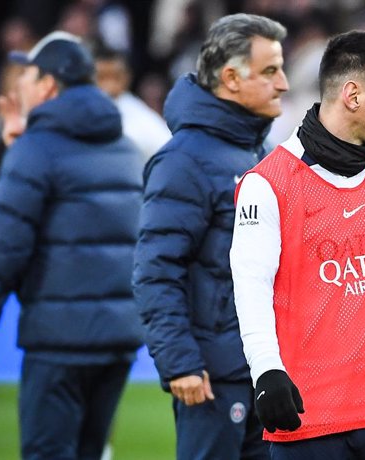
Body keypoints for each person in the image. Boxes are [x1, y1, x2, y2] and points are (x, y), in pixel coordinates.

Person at [230, 30, 365, 459]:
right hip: (311, 416)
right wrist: (267, 371)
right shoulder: (267, 184)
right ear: (353, 95)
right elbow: (251, 287)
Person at [0, 31, 144, 460]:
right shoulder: (125, 148)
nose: (18, 84)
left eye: (27, 75)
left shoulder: (36, 150)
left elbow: (8, 243)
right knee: (91, 451)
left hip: (59, 342)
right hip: (117, 341)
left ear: (47, 86)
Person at [131, 13, 289, 460]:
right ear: (231, 78)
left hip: (265, 368)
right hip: (213, 378)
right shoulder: (183, 161)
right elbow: (155, 271)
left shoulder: (262, 153)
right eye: (270, 71)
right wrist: (180, 361)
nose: (284, 84)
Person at [94, 48, 170, 160]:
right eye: (101, 77)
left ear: (127, 77)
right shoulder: (76, 111)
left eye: (115, 77)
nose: (108, 85)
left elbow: (169, 153)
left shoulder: (143, 118)